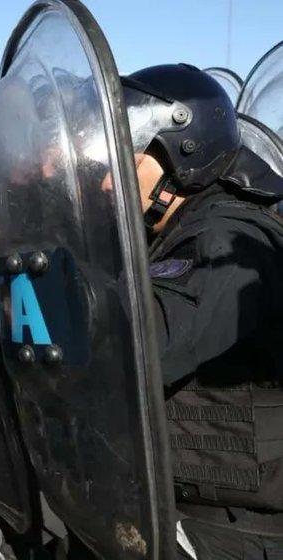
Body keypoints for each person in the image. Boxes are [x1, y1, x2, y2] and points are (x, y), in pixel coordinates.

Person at [117, 64, 283, 559]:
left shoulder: (229, 238)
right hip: (191, 511)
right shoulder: (171, 232)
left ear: (184, 151)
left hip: (237, 530)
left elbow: (145, 345)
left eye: (127, 157)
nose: (108, 177)